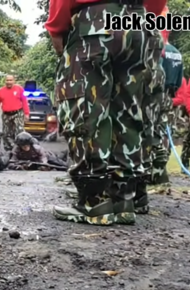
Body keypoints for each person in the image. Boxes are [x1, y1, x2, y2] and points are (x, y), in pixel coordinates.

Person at [45, 0, 166, 226]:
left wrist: (58, 31)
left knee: (86, 107)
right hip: (138, 24)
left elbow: (59, 12)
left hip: (95, 23)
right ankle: (124, 201)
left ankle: (94, 202)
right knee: (129, 110)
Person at [149, 29, 182, 186]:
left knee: (153, 131)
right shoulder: (176, 53)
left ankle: (156, 172)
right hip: (170, 95)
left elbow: (156, 73)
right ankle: (161, 170)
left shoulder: (159, 50)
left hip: (156, 94)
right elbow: (180, 80)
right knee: (165, 131)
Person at [0, 75, 29, 151]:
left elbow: (24, 101)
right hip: (6, 114)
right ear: (5, 81)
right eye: (7, 80)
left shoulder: (19, 89)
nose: (9, 82)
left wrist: (26, 114)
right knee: (6, 134)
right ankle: (8, 150)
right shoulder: (1, 91)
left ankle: (20, 149)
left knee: (19, 132)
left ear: (14, 81)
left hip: (17, 113)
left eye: (10, 80)